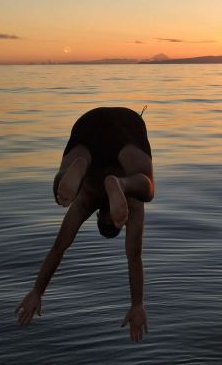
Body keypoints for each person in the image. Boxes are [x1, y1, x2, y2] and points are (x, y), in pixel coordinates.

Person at [15, 107, 155, 342]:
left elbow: (135, 257)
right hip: (90, 130)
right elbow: (58, 248)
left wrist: (138, 304)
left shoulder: (119, 206)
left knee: (146, 190)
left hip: (116, 125)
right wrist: (37, 291)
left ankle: (114, 180)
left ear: (101, 215)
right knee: (62, 196)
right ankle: (82, 171)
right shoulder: (85, 201)